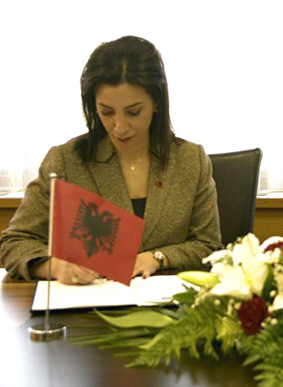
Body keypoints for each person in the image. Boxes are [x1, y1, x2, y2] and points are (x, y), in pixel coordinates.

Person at [0, 36, 222, 284]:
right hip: (87, 301)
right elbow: (14, 243)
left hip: (167, 302)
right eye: (106, 112)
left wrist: (158, 258)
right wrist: (56, 267)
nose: (119, 126)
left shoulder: (190, 160)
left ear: (157, 103)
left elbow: (209, 246)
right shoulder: (66, 161)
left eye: (134, 112)